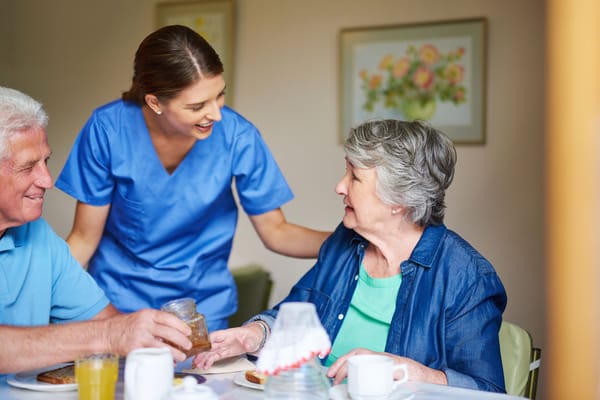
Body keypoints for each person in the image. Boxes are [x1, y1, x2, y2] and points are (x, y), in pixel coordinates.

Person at [193, 119, 508, 393]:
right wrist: (255, 335)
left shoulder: (465, 277)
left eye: (355, 177)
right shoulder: (345, 243)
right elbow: (296, 315)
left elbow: (488, 390)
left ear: (397, 199)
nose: (340, 187)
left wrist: (404, 370)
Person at [55, 25, 330, 331]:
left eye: (219, 95)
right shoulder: (108, 130)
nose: (216, 114)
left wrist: (353, 241)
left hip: (202, 311)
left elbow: (277, 231)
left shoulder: (238, 136)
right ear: (155, 102)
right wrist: (36, 304)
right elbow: (83, 239)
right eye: (197, 106)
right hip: (118, 309)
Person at [0, 86, 194, 375]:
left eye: (46, 161)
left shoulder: (37, 235)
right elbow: (106, 334)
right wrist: (108, 336)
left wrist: (149, 335)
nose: (47, 180)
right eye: (28, 167)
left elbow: (105, 324)